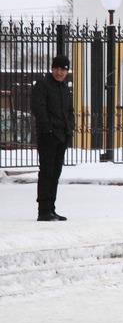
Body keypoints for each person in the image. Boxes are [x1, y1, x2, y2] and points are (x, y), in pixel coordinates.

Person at [30, 55, 74, 221]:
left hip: (62, 135)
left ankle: (52, 208)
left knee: (55, 172)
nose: (59, 72)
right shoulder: (42, 85)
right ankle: (44, 210)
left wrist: (69, 128)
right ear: (52, 68)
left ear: (67, 71)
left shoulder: (64, 88)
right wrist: (47, 128)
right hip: (48, 135)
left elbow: (69, 111)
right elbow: (38, 108)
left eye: (63, 69)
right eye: (57, 68)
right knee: (47, 172)